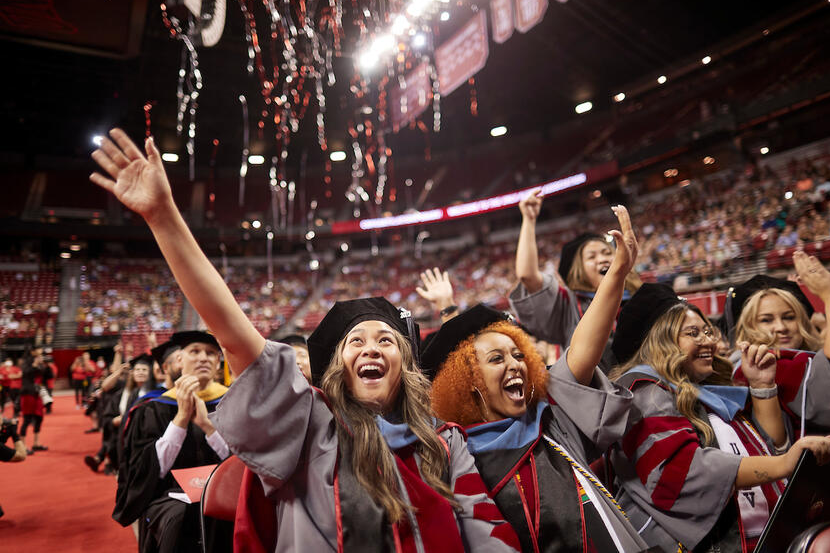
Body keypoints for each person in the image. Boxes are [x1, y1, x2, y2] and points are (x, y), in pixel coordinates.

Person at [91, 128, 519, 553]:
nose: (371, 347)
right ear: (337, 367)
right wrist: (164, 218)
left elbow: (483, 527)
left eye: (387, 341)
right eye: (356, 341)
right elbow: (235, 336)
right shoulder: (309, 427)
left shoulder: (443, 441)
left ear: (406, 365)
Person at [422, 206, 649, 552]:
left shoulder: (550, 419)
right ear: (467, 378)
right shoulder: (459, 458)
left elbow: (583, 348)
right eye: (497, 358)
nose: (516, 365)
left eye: (518, 355)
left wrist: (618, 272)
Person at [608, 282, 830, 552]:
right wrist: (783, 464)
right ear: (661, 342)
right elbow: (681, 474)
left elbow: (771, 448)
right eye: (692, 333)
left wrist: (763, 386)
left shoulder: (706, 394)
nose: (708, 340)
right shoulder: (643, 390)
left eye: (707, 331)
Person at [111, 330, 231, 552]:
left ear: (218, 363)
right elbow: (141, 471)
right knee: (180, 518)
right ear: (179, 360)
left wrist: (208, 427)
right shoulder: (152, 408)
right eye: (195, 351)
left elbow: (244, 465)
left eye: (211, 353)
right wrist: (180, 420)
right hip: (168, 497)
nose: (204, 357)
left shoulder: (234, 403)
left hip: (225, 492)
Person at [510, 189, 642, 373]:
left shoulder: (642, 297)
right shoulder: (568, 304)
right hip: (599, 397)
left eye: (606, 253)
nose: (603, 259)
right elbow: (527, 275)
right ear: (578, 270)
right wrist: (529, 220)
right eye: (592, 256)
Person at [727, 252, 830, 435]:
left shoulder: (807, 356)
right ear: (748, 328)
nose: (781, 327)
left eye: (789, 317)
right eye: (766, 320)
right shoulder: (754, 368)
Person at [18, 350, 51, 454]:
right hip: (28, 394)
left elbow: (49, 375)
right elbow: (27, 374)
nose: (41, 357)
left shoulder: (41, 366)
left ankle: (36, 444)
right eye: (39, 356)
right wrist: (35, 364)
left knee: (39, 418)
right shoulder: (27, 366)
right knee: (27, 420)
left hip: (38, 394)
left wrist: (44, 364)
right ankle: (22, 446)